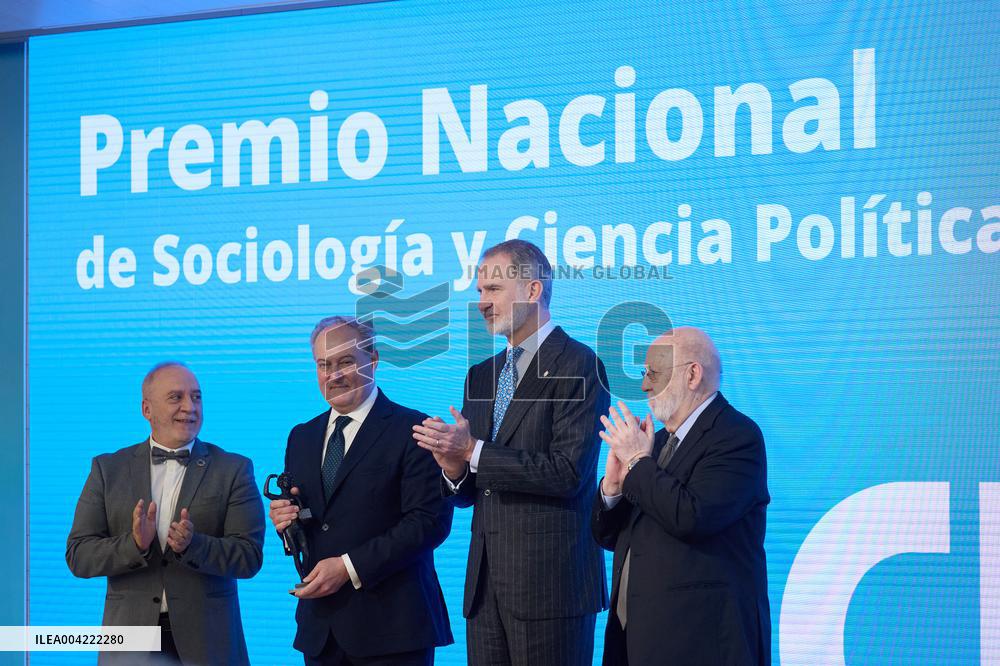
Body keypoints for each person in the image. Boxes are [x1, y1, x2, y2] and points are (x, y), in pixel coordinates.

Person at [413, 239, 609, 666]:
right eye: (479, 290)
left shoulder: (579, 364)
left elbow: (567, 473)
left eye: (493, 289)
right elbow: (470, 491)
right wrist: (453, 469)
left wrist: (473, 450)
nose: (481, 302)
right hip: (485, 589)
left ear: (533, 291)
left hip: (551, 588)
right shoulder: (480, 376)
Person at [269, 316, 453, 666]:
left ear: (373, 360)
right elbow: (315, 523)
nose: (333, 375)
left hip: (394, 632)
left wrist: (349, 567)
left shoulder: (413, 429)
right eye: (324, 365)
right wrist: (286, 521)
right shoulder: (301, 437)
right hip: (321, 632)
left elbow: (428, 523)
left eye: (345, 361)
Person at [591, 327, 770, 665]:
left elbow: (691, 517)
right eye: (645, 374)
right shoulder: (653, 444)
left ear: (692, 374)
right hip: (636, 640)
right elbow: (611, 536)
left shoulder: (737, 437)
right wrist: (612, 489)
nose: (644, 386)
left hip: (699, 643)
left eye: (653, 374)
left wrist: (637, 462)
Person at [66, 362, 265, 665]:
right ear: (147, 409)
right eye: (176, 397)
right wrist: (134, 545)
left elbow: (248, 557)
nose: (190, 407)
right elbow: (79, 555)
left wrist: (193, 545)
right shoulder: (108, 470)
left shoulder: (233, 469)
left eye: (196, 397)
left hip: (209, 644)